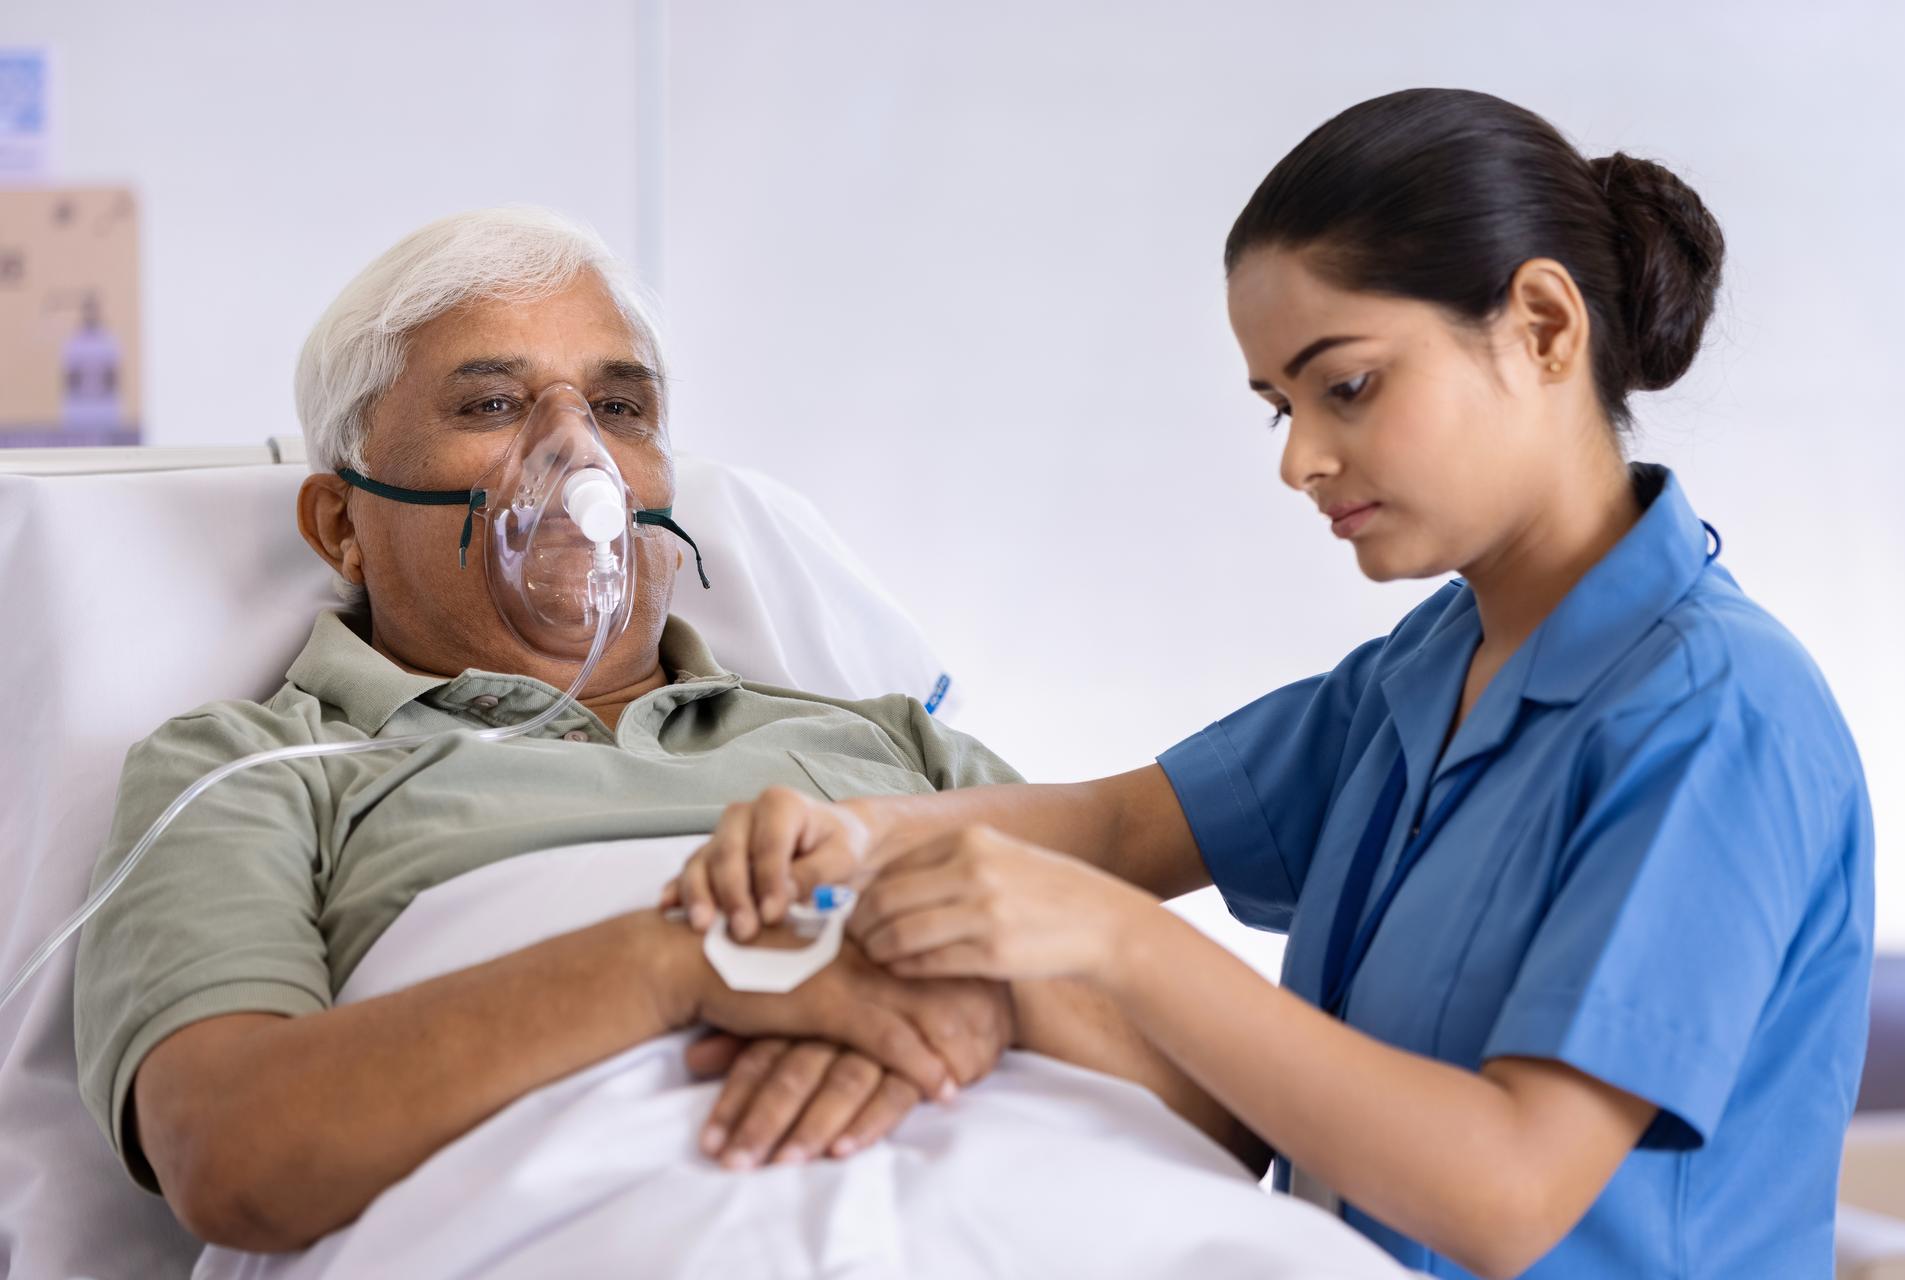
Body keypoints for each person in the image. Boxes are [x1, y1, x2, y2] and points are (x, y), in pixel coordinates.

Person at [669, 88, 1876, 1279]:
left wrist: (1114, 941)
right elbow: (1115, 822)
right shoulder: (1424, 671)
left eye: (1344, 385)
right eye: (1278, 409)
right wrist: (838, 837)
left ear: (1546, 328)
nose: (1301, 458)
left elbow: (1511, 1193)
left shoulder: (1720, 715)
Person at [72, 208, 1261, 1256]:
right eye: (492, 402)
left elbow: (1231, 1106)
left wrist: (953, 999)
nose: (572, 451)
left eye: (620, 406)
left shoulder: (892, 748)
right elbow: (233, 1149)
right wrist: (698, 963)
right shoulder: (250, 769)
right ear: (341, 522)